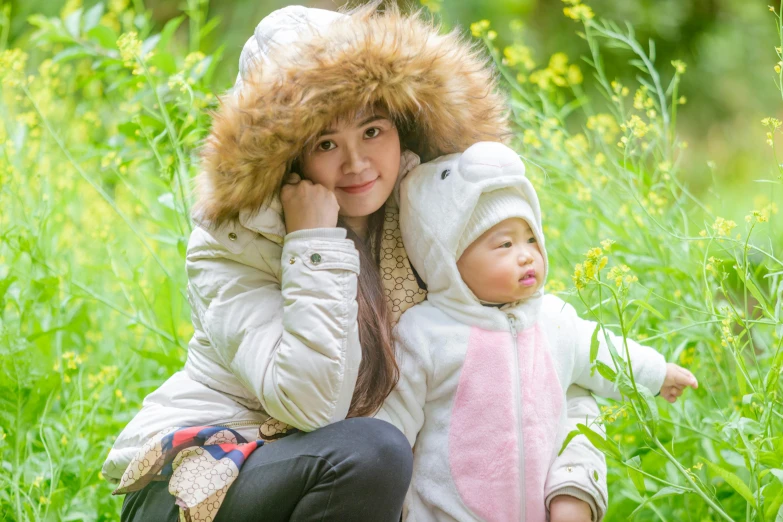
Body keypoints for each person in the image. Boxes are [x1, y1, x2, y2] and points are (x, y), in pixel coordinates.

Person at [102, 4, 609, 521]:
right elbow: (311, 405)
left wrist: (574, 487)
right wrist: (313, 242)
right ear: (287, 156)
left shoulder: (436, 222)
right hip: (206, 484)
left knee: (381, 456)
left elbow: (541, 347)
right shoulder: (233, 244)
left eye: (372, 131)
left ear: (402, 125)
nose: (357, 164)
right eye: (326, 142)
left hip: (345, 488)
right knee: (377, 450)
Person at [376, 141, 699, 522]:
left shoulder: (554, 318)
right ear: (448, 260)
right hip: (446, 511)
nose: (527, 254)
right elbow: (393, 419)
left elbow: (604, 354)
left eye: (531, 239)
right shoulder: (427, 332)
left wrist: (657, 373)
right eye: (505, 244)